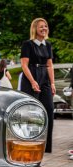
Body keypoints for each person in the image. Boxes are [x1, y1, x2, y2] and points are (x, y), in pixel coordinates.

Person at [20, 17, 55, 153]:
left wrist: (52, 83)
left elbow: (50, 66)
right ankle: (27, 142)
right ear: (35, 28)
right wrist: (33, 81)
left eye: (45, 26)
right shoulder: (27, 44)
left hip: (44, 77)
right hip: (31, 75)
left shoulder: (48, 45)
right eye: (41, 26)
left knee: (49, 109)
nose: (44, 28)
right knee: (30, 112)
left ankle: (46, 146)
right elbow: (24, 65)